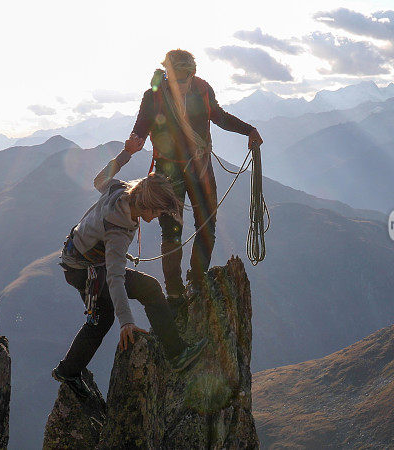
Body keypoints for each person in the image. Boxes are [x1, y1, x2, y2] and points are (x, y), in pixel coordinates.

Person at [52, 147, 207, 398]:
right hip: (85, 270)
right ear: (146, 205)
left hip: (77, 260)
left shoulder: (121, 189)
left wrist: (127, 153)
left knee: (101, 320)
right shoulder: (118, 230)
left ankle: (68, 371)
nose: (157, 217)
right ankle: (177, 354)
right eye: (156, 211)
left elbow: (98, 180)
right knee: (147, 291)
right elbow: (115, 278)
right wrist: (128, 322)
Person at [126, 49, 264, 299]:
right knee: (171, 232)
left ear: (192, 74)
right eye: (170, 76)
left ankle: (197, 281)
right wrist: (134, 142)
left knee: (207, 225)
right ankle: (176, 294)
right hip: (171, 171)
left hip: (197, 166)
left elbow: (219, 116)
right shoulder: (154, 96)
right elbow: (141, 129)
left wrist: (249, 131)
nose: (175, 83)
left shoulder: (202, 89)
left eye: (180, 78)